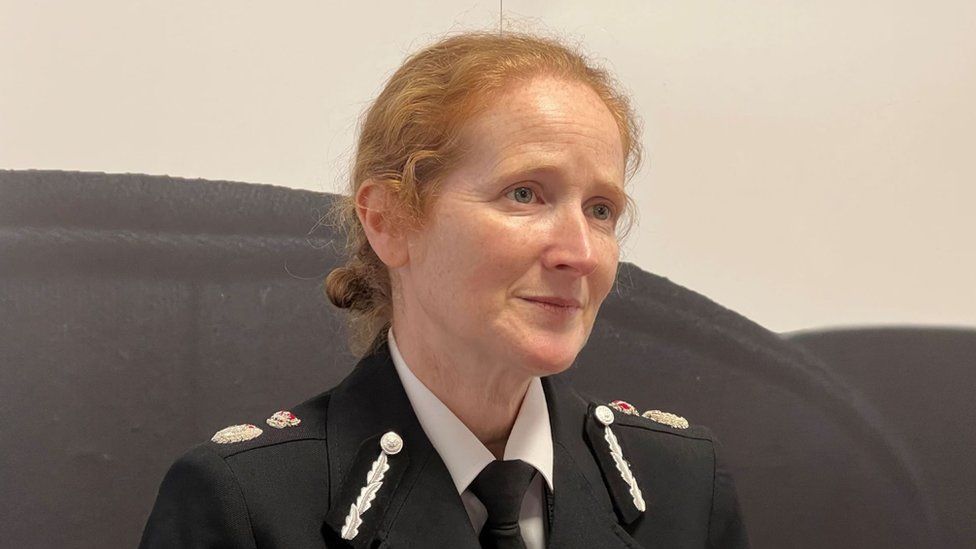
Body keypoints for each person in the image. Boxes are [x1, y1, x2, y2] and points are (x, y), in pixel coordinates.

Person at [139, 30, 749, 548]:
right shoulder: (247, 505)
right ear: (390, 221)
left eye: (600, 209)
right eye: (525, 194)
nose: (580, 254)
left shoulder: (682, 487)